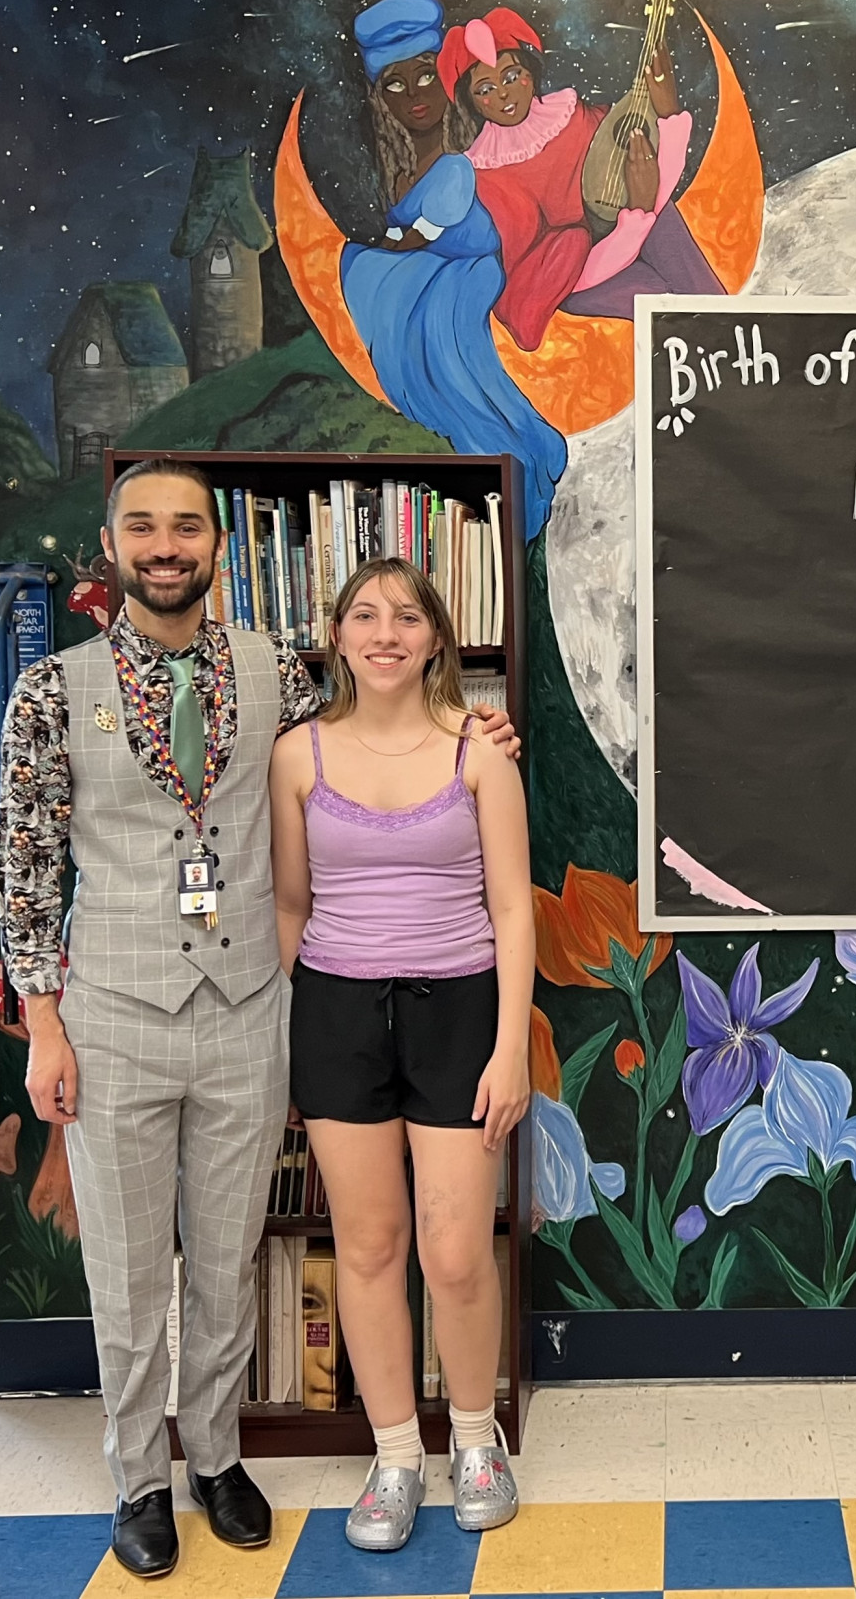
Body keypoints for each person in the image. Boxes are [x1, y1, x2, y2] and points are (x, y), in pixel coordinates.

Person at [0, 460, 517, 1579]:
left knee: (228, 1257)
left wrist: (483, 731)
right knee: (130, 1269)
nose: (166, 545)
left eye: (188, 526)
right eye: (144, 526)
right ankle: (141, 1477)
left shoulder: (274, 671)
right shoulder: (51, 690)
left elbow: (380, 728)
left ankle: (218, 1456)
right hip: (114, 1011)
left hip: (246, 1009)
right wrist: (43, 1022)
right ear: (112, 544)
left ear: (218, 548)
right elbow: (27, 866)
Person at [269, 557, 533, 1551]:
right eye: (366, 615)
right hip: (336, 1013)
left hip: (459, 1011)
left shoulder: (480, 753)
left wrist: (510, 1049)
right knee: (370, 1247)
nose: (386, 633)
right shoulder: (296, 755)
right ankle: (394, 1455)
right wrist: (289, 1039)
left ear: (435, 641)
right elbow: (290, 906)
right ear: (337, 636)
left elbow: (512, 909)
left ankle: (476, 1440)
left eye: (409, 617)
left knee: (455, 1251)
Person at [339, 0, 569, 537]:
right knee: (374, 276)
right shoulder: (398, 163)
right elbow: (408, 232)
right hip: (431, 267)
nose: (415, 96)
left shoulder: (467, 155)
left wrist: (402, 248)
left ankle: (518, 456)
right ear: (379, 98)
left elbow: (437, 229)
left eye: (426, 76)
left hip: (473, 266)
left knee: (434, 325)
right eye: (395, 85)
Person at [434, 5, 722, 355]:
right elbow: (551, 275)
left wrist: (667, 114)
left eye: (511, 76)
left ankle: (738, 346)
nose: (503, 94)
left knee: (690, 270)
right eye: (485, 89)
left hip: (633, 233)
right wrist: (637, 219)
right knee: (664, 304)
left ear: (530, 74)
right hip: (582, 280)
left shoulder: (572, 116)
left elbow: (644, 172)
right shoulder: (488, 173)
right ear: (472, 103)